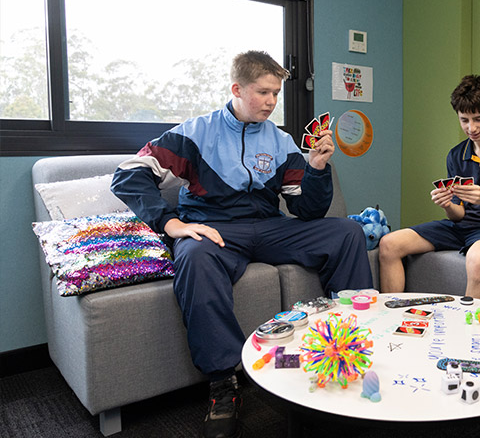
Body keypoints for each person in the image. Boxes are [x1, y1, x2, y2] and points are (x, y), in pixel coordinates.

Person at [111, 51, 373, 438]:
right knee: (195, 257)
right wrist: (172, 224)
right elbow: (128, 175)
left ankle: (352, 343)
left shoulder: (281, 141)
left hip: (269, 227)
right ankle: (223, 384)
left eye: (276, 94)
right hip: (215, 229)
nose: (270, 101)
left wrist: (317, 168)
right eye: (262, 92)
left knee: (347, 232)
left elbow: (306, 210)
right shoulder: (195, 133)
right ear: (237, 89)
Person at [380, 75, 480, 300]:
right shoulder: (457, 154)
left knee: (476, 259)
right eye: (464, 120)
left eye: (478, 119)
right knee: (389, 244)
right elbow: (458, 215)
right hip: (462, 227)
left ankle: (471, 333)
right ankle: (393, 321)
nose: (471, 128)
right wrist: (447, 205)